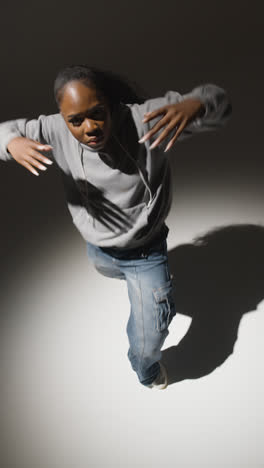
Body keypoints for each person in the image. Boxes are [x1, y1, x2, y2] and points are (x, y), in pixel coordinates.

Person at [0, 65, 232, 389]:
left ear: (110, 104)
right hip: (99, 251)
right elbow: (3, 130)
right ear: (62, 116)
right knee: (109, 268)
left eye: (97, 114)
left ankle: (147, 372)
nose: (90, 128)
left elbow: (220, 101)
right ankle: (123, 275)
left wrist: (197, 104)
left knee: (150, 335)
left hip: (145, 254)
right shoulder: (53, 129)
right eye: (76, 120)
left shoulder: (145, 119)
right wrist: (11, 143)